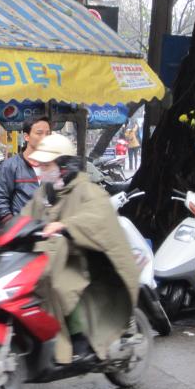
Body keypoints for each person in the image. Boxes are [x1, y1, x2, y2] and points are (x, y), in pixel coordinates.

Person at [20, 133, 139, 365]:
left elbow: (96, 216)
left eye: (47, 164)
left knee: (60, 284)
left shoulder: (87, 190)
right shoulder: (45, 193)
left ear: (64, 166)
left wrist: (66, 225)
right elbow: (26, 216)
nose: (42, 169)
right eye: (42, 165)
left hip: (87, 260)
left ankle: (81, 341)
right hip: (56, 256)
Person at [0, 115, 52, 223]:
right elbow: (0, 200)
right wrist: (12, 225)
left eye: (48, 134)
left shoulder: (53, 165)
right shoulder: (11, 165)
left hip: (47, 232)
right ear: (26, 136)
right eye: (39, 133)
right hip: (22, 232)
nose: (44, 137)